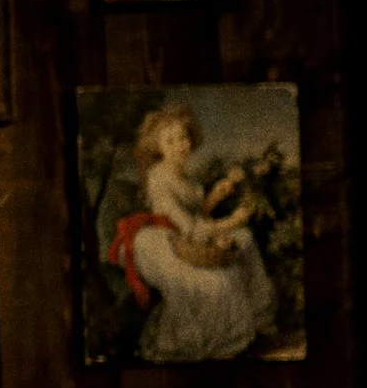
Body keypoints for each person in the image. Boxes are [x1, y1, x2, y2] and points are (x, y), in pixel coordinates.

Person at [107, 103, 276, 361]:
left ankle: (259, 319)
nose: (179, 145)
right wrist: (231, 221)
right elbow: (188, 228)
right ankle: (208, 346)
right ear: (158, 147)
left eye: (183, 137)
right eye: (170, 140)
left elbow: (197, 217)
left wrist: (213, 198)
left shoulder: (188, 179)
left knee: (245, 239)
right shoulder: (158, 178)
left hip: (185, 238)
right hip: (159, 244)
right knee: (213, 282)